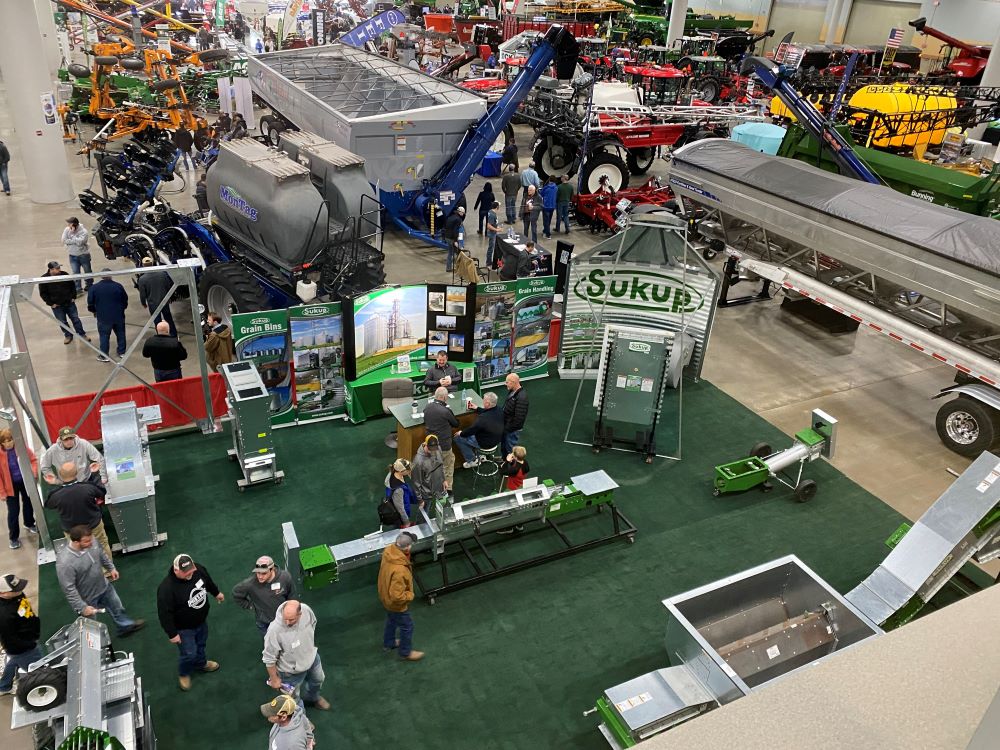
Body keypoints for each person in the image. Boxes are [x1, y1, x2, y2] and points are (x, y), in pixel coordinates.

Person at [55, 525, 145, 637]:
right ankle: (96, 647)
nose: (91, 543)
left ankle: (125, 626)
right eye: (87, 542)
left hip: (105, 587)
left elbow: (101, 555)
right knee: (89, 627)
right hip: (86, 598)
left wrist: (111, 568)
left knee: (118, 608)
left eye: (91, 539)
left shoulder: (92, 541)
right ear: (76, 542)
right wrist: (82, 607)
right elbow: (69, 589)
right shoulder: (65, 562)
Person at [157, 553, 223, 691]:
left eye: (191, 571)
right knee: (189, 653)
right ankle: (184, 673)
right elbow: (164, 615)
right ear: (176, 570)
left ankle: (201, 663)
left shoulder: (198, 570)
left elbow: (208, 582)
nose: (190, 575)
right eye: (185, 573)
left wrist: (216, 593)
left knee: (201, 644)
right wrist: (172, 634)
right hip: (183, 629)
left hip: (201, 621)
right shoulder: (166, 589)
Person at [263, 601, 331, 710]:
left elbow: (313, 623)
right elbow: (268, 658)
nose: (287, 622)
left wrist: (307, 645)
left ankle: (314, 698)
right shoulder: (274, 630)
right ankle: (301, 719)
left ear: (300, 614)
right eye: (285, 618)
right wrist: (274, 679)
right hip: (290, 672)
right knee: (293, 698)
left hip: (312, 658)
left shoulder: (306, 610)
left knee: (318, 680)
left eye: (291, 619)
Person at [44, 462, 113, 562]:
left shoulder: (56, 495)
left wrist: (53, 484)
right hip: (93, 525)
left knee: (77, 552)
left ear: (59, 474)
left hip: (72, 530)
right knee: (101, 545)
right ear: (76, 473)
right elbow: (101, 491)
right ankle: (107, 571)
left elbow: (48, 504)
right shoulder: (87, 488)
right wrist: (95, 474)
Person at [378, 532, 424, 661]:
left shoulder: (389, 551)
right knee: (407, 626)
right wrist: (409, 595)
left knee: (392, 620)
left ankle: (389, 642)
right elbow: (397, 596)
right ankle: (405, 652)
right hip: (396, 604)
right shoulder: (399, 570)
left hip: (384, 595)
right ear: (408, 547)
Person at [233, 556, 296, 636]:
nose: (260, 576)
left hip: (284, 621)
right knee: (270, 645)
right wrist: (249, 606)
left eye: (264, 573)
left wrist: (291, 611)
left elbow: (292, 595)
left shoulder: (285, 577)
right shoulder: (250, 584)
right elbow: (236, 593)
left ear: (272, 569)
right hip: (265, 624)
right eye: (258, 572)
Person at [0, 573, 41, 696]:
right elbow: (10, 639)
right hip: (23, 647)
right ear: (3, 593)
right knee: (38, 670)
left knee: (14, 661)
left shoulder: (16, 596)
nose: (20, 590)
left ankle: (4, 686)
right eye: (16, 589)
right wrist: (28, 645)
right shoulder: (4, 615)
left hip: (27, 638)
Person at [0, 429, 37, 550]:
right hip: (10, 487)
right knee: (13, 512)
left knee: (28, 503)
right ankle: (13, 538)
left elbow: (33, 460)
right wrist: (2, 492)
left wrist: (33, 473)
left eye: (10, 440)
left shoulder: (22, 448)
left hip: (24, 481)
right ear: (1, 443)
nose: (8, 443)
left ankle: (29, 523)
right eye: (5, 441)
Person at [39, 261, 90, 344]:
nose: (59, 270)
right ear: (51, 269)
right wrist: (51, 303)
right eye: (57, 268)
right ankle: (68, 335)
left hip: (69, 303)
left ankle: (82, 334)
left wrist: (73, 297)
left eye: (59, 267)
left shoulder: (64, 274)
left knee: (76, 319)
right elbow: (43, 293)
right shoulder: (44, 279)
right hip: (57, 306)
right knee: (62, 322)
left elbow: (72, 286)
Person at [40, 427, 105, 486]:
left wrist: (103, 477)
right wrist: (54, 479)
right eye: (66, 439)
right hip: (66, 484)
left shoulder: (83, 444)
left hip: (86, 480)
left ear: (74, 437)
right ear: (60, 439)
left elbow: (100, 459)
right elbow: (44, 466)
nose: (69, 441)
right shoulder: (53, 450)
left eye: (71, 438)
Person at [423, 387, 458, 495]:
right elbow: (456, 424)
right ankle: (448, 489)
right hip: (444, 445)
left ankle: (432, 487)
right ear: (444, 397)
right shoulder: (445, 411)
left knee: (434, 465)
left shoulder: (427, 407)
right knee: (448, 465)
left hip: (431, 444)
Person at [87, 269, 128, 362]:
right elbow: (125, 299)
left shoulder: (94, 288)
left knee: (104, 335)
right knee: (121, 333)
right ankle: (122, 352)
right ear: (111, 275)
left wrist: (94, 311)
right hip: (118, 316)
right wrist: (122, 309)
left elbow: (90, 303)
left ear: (101, 276)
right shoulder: (118, 286)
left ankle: (104, 355)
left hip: (103, 317)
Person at [454, 391, 503, 468]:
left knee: (458, 438)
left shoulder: (483, 418)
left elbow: (471, 430)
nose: (482, 401)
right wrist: (477, 408)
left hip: (485, 443)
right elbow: (489, 412)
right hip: (497, 440)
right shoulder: (500, 410)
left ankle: (472, 461)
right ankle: (481, 456)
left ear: (487, 404)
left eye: (483, 400)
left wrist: (461, 433)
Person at [138, 257, 177, 334]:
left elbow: (142, 293)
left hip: (153, 304)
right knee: (168, 319)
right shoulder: (162, 274)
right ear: (152, 264)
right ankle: (173, 335)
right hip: (164, 301)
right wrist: (170, 297)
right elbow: (168, 286)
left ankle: (160, 336)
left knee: (157, 321)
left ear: (143, 265)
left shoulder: (142, 279)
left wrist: (143, 303)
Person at [411, 435, 445, 515]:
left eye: (434, 449)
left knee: (441, 507)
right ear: (425, 445)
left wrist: (444, 480)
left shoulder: (438, 448)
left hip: (438, 486)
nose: (432, 452)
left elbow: (441, 465)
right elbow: (416, 483)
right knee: (423, 514)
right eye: (430, 449)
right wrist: (420, 500)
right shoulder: (418, 462)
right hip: (426, 493)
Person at [61, 217, 92, 294]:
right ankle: (78, 289)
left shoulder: (84, 231)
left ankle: (89, 285)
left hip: (83, 255)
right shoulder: (67, 229)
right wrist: (74, 239)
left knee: (87, 271)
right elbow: (64, 240)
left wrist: (71, 235)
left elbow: (80, 242)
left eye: (69, 223)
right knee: (75, 273)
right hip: (72, 255)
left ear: (74, 224)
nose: (68, 225)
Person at [384, 458, 416, 528]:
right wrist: (406, 522)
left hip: (397, 501)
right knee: (399, 527)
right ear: (401, 471)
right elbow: (400, 509)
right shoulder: (398, 490)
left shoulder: (393, 472)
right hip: (399, 515)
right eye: (408, 470)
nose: (410, 471)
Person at [502, 373, 529, 454]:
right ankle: (505, 460)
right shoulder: (512, 391)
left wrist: (507, 428)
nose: (505, 384)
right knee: (504, 446)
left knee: (511, 449)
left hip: (512, 429)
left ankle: (511, 465)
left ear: (513, 382)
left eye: (507, 382)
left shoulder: (522, 397)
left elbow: (519, 420)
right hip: (507, 425)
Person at [443, 206, 465, 273]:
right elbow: (455, 231)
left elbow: (446, 226)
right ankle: (460, 268)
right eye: (463, 213)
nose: (463, 214)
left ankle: (448, 268)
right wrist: (456, 241)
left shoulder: (451, 217)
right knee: (459, 253)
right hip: (452, 238)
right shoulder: (458, 219)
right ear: (460, 212)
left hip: (447, 237)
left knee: (450, 253)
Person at [485, 200, 500, 268]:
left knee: (492, 248)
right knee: (491, 249)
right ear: (497, 207)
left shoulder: (491, 212)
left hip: (493, 233)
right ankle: (488, 262)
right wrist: (496, 229)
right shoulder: (492, 215)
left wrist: (496, 226)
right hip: (492, 234)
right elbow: (488, 225)